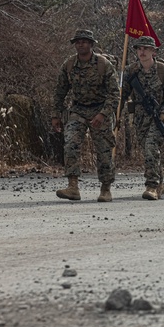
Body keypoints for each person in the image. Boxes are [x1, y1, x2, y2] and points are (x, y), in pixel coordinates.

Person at [52, 29, 120, 203]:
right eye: (77, 42)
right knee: (71, 143)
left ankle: (105, 188)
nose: (80, 44)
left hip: (100, 110)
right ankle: (73, 186)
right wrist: (56, 115)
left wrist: (103, 114)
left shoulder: (103, 65)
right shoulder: (69, 65)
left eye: (84, 41)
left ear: (91, 44)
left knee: (104, 150)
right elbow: (60, 92)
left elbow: (114, 94)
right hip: (78, 110)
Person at [124, 35, 164, 201]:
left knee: (151, 146)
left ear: (153, 51)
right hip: (140, 118)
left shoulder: (163, 71)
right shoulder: (131, 71)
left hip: (157, 118)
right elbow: (122, 95)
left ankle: (152, 185)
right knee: (148, 151)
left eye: (146, 48)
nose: (142, 52)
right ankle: (160, 183)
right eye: (139, 49)